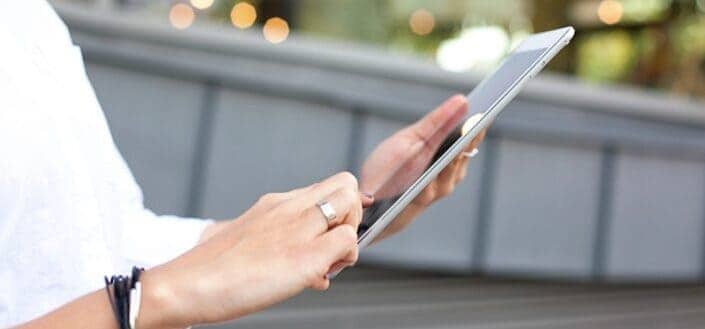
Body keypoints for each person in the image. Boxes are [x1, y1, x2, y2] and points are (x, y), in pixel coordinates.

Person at [0, 1, 487, 328]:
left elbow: (113, 238)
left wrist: (365, 208)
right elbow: (156, 286)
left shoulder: (32, 18)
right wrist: (159, 297)